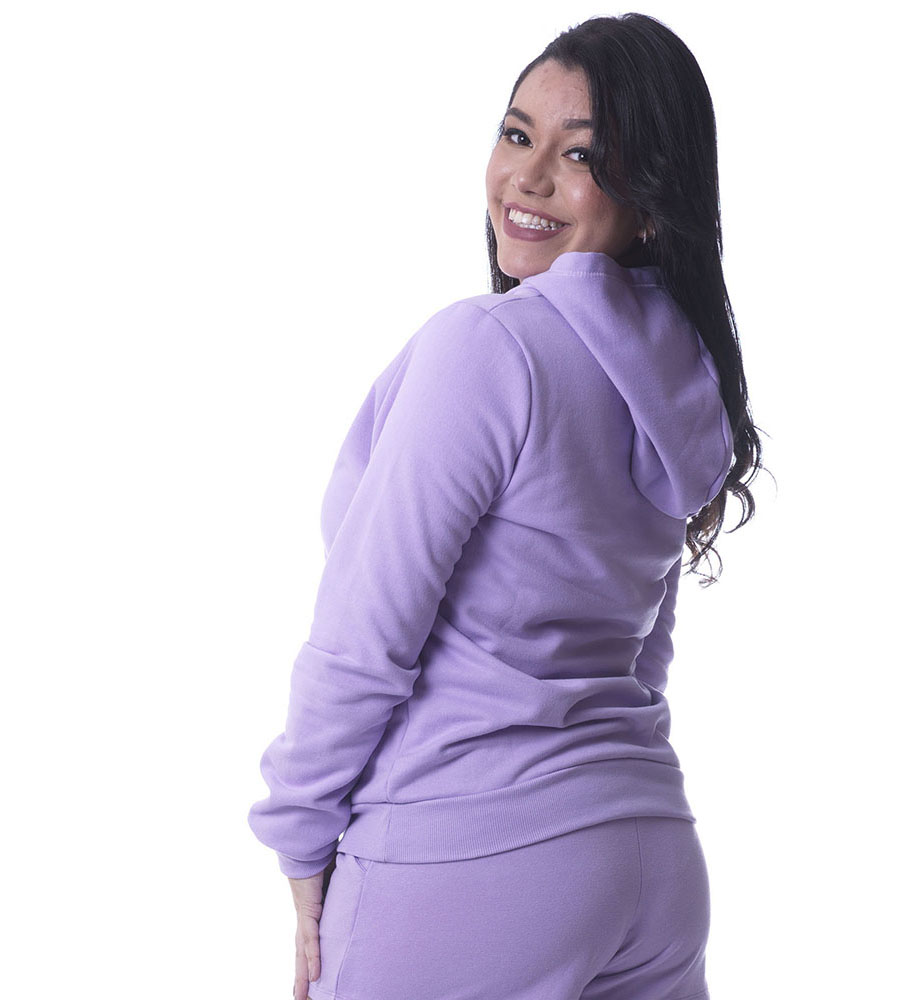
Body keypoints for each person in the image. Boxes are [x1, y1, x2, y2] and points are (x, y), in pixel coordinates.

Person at [246, 12, 765, 1000]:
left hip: (467, 856)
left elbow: (365, 632)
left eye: (582, 156)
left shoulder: (487, 349)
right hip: (649, 857)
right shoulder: (678, 380)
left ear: (650, 203)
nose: (526, 178)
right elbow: (640, 647)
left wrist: (299, 831)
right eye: (517, 134)